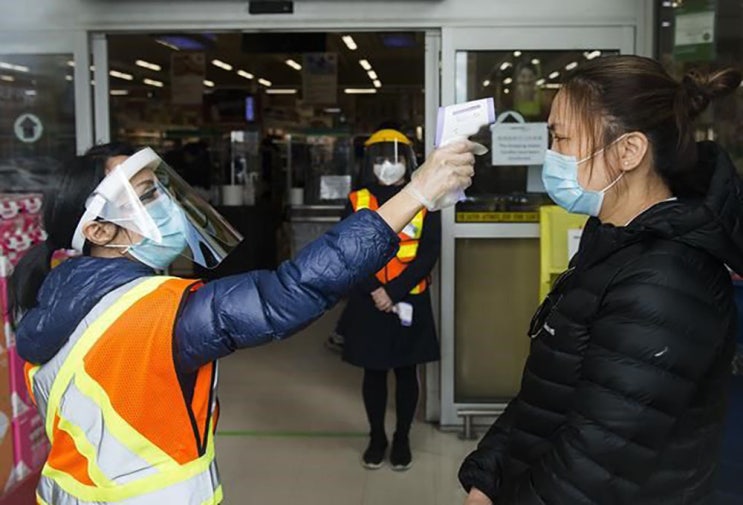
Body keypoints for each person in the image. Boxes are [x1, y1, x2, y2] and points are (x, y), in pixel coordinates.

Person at [9, 138, 475, 505]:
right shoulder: (150, 309)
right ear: (97, 230)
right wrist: (415, 193)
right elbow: (286, 294)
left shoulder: (54, 293)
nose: (168, 206)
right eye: (148, 197)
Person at [459, 55, 743, 505]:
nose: (550, 153)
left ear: (628, 151)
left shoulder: (667, 281)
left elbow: (592, 468)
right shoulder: (612, 238)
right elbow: (545, 394)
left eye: (561, 137)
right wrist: (486, 479)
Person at [335, 129, 441, 471]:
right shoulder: (356, 200)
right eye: (380, 159)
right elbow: (346, 252)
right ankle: (377, 437)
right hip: (369, 301)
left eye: (395, 159)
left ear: (407, 161)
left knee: (407, 370)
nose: (388, 166)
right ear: (369, 163)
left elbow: (428, 254)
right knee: (374, 372)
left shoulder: (425, 199)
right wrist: (376, 291)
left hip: (410, 299)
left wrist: (392, 291)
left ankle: (402, 437)